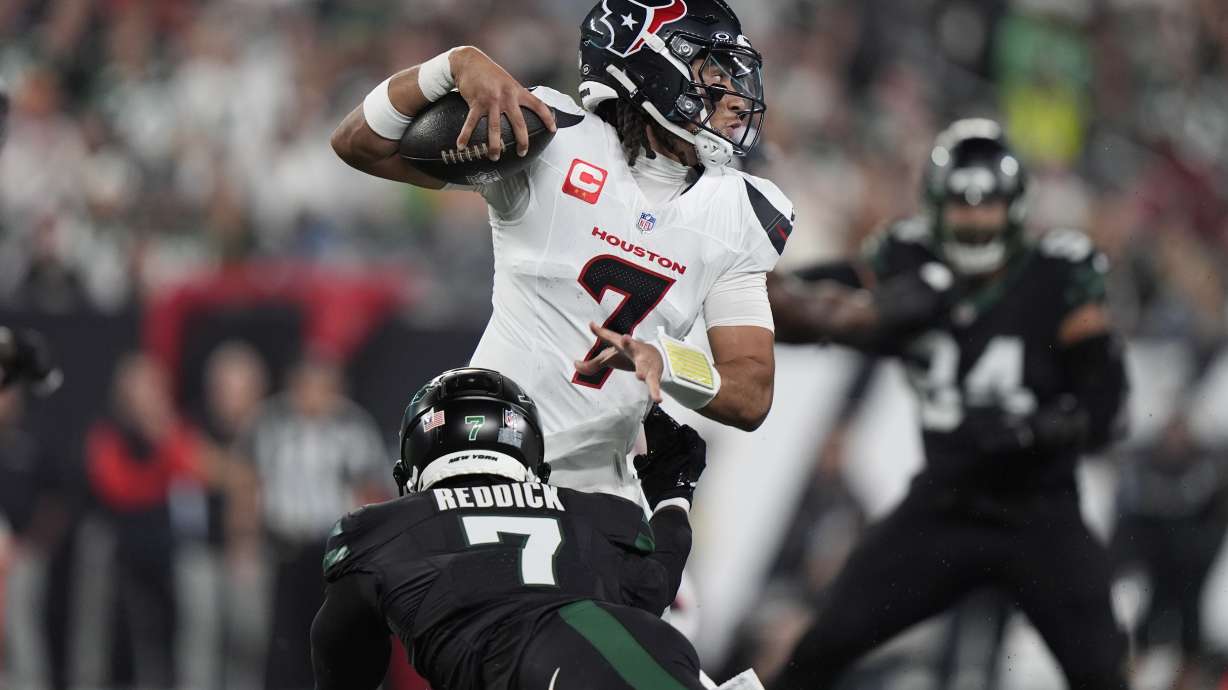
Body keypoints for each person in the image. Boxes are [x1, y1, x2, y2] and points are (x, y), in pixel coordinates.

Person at [331, 0, 792, 499]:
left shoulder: (740, 211)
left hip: (602, 496)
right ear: (651, 68)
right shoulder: (553, 137)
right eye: (712, 73)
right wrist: (452, 65)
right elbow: (359, 142)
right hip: (485, 462)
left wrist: (668, 361)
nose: (734, 96)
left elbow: (751, 392)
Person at [766, 119, 1131, 689]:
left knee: (1103, 675)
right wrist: (867, 307)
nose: (975, 220)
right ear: (935, 206)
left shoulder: (1058, 272)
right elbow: (803, 303)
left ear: (1016, 207)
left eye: (988, 205)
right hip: (943, 507)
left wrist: (1036, 428)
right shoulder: (907, 259)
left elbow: (1108, 408)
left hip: (1041, 513)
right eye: (962, 204)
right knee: (821, 648)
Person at [310, 368, 711, 690]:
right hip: (653, 652)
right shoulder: (599, 515)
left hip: (529, 665)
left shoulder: (379, 530)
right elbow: (654, 587)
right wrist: (675, 496)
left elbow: (344, 664)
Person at [237, 354, 387, 690]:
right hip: (284, 546)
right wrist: (244, 542)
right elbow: (247, 483)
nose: (314, 396)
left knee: (335, 635)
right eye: (308, 386)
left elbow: (370, 493)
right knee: (283, 639)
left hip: (334, 551)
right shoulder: (270, 423)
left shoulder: (354, 428)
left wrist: (367, 553)